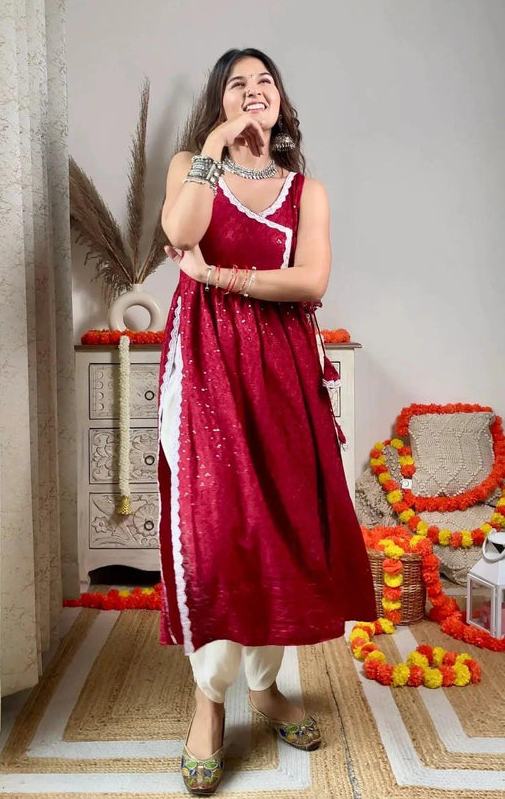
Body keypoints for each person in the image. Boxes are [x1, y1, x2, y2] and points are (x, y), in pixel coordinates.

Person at [158, 48, 376, 795]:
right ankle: (209, 700)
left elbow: (310, 280)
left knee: (278, 528)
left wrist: (217, 275)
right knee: (218, 529)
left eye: (264, 82)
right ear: (219, 102)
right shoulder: (192, 165)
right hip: (205, 365)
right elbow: (181, 226)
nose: (253, 92)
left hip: (280, 370)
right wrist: (214, 147)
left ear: (280, 99)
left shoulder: (305, 191)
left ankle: (264, 687)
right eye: (237, 84)